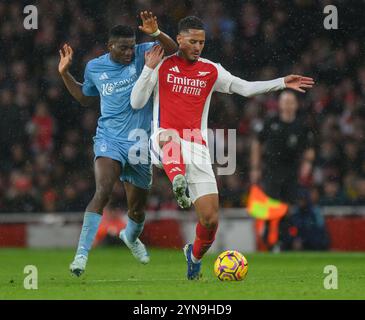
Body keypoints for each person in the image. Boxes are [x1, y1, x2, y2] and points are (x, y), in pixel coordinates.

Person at [129, 16, 314, 279]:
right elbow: (136, 102)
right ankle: (178, 179)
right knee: (169, 137)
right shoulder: (162, 65)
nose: (197, 47)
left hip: (197, 147)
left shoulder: (211, 70)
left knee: (210, 219)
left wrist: (282, 82)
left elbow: (246, 88)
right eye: (192, 41)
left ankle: (193, 257)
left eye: (202, 42)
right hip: (162, 138)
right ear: (179, 39)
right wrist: (148, 69)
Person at [58, 11, 177, 277]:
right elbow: (85, 98)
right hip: (109, 139)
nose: (128, 53)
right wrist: (65, 73)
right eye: (123, 48)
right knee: (103, 191)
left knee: (137, 209)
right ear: (109, 46)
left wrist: (155, 33)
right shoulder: (95, 68)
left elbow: (173, 49)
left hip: (139, 143)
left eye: (131, 47)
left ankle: (131, 237)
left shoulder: (143, 52)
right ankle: (80, 256)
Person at [250, 90, 316, 251]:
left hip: (292, 172)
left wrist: (307, 163)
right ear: (279, 104)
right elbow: (257, 143)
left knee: (288, 208)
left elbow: (309, 148)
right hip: (271, 171)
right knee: (272, 207)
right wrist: (255, 167)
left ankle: (282, 241)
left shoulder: (301, 125)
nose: (287, 105)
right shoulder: (270, 121)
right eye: (284, 102)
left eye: (290, 102)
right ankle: (270, 239)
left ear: (295, 105)